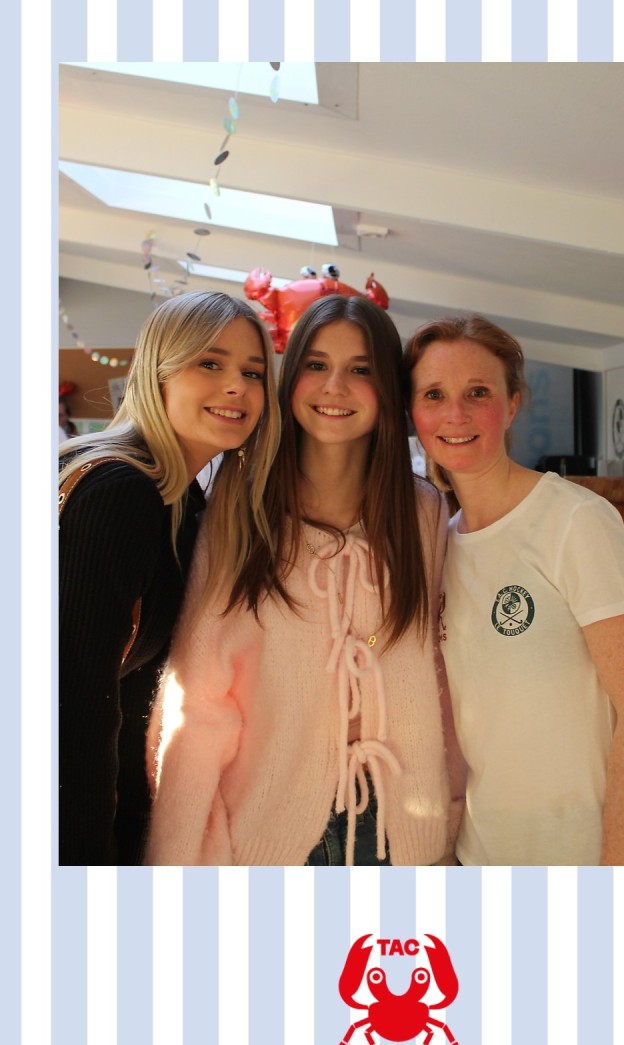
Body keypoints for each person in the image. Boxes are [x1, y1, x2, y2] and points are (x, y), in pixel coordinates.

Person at [145, 294, 461, 866]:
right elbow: (199, 697)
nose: (335, 387)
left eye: (360, 370)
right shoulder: (241, 509)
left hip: (403, 830)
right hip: (267, 831)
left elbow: (444, 671)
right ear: (290, 378)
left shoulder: (422, 512)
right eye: (316, 365)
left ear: (388, 388)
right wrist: (180, 855)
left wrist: (452, 814)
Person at [402, 314, 624, 866]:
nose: (455, 414)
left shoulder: (575, 522)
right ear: (413, 412)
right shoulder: (440, 544)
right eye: (434, 394)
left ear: (512, 404)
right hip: (488, 856)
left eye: (478, 392)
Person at [59, 291, 280, 865]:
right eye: (210, 363)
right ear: (159, 372)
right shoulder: (118, 492)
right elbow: (74, 705)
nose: (236, 387)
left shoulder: (179, 503)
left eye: (252, 373)